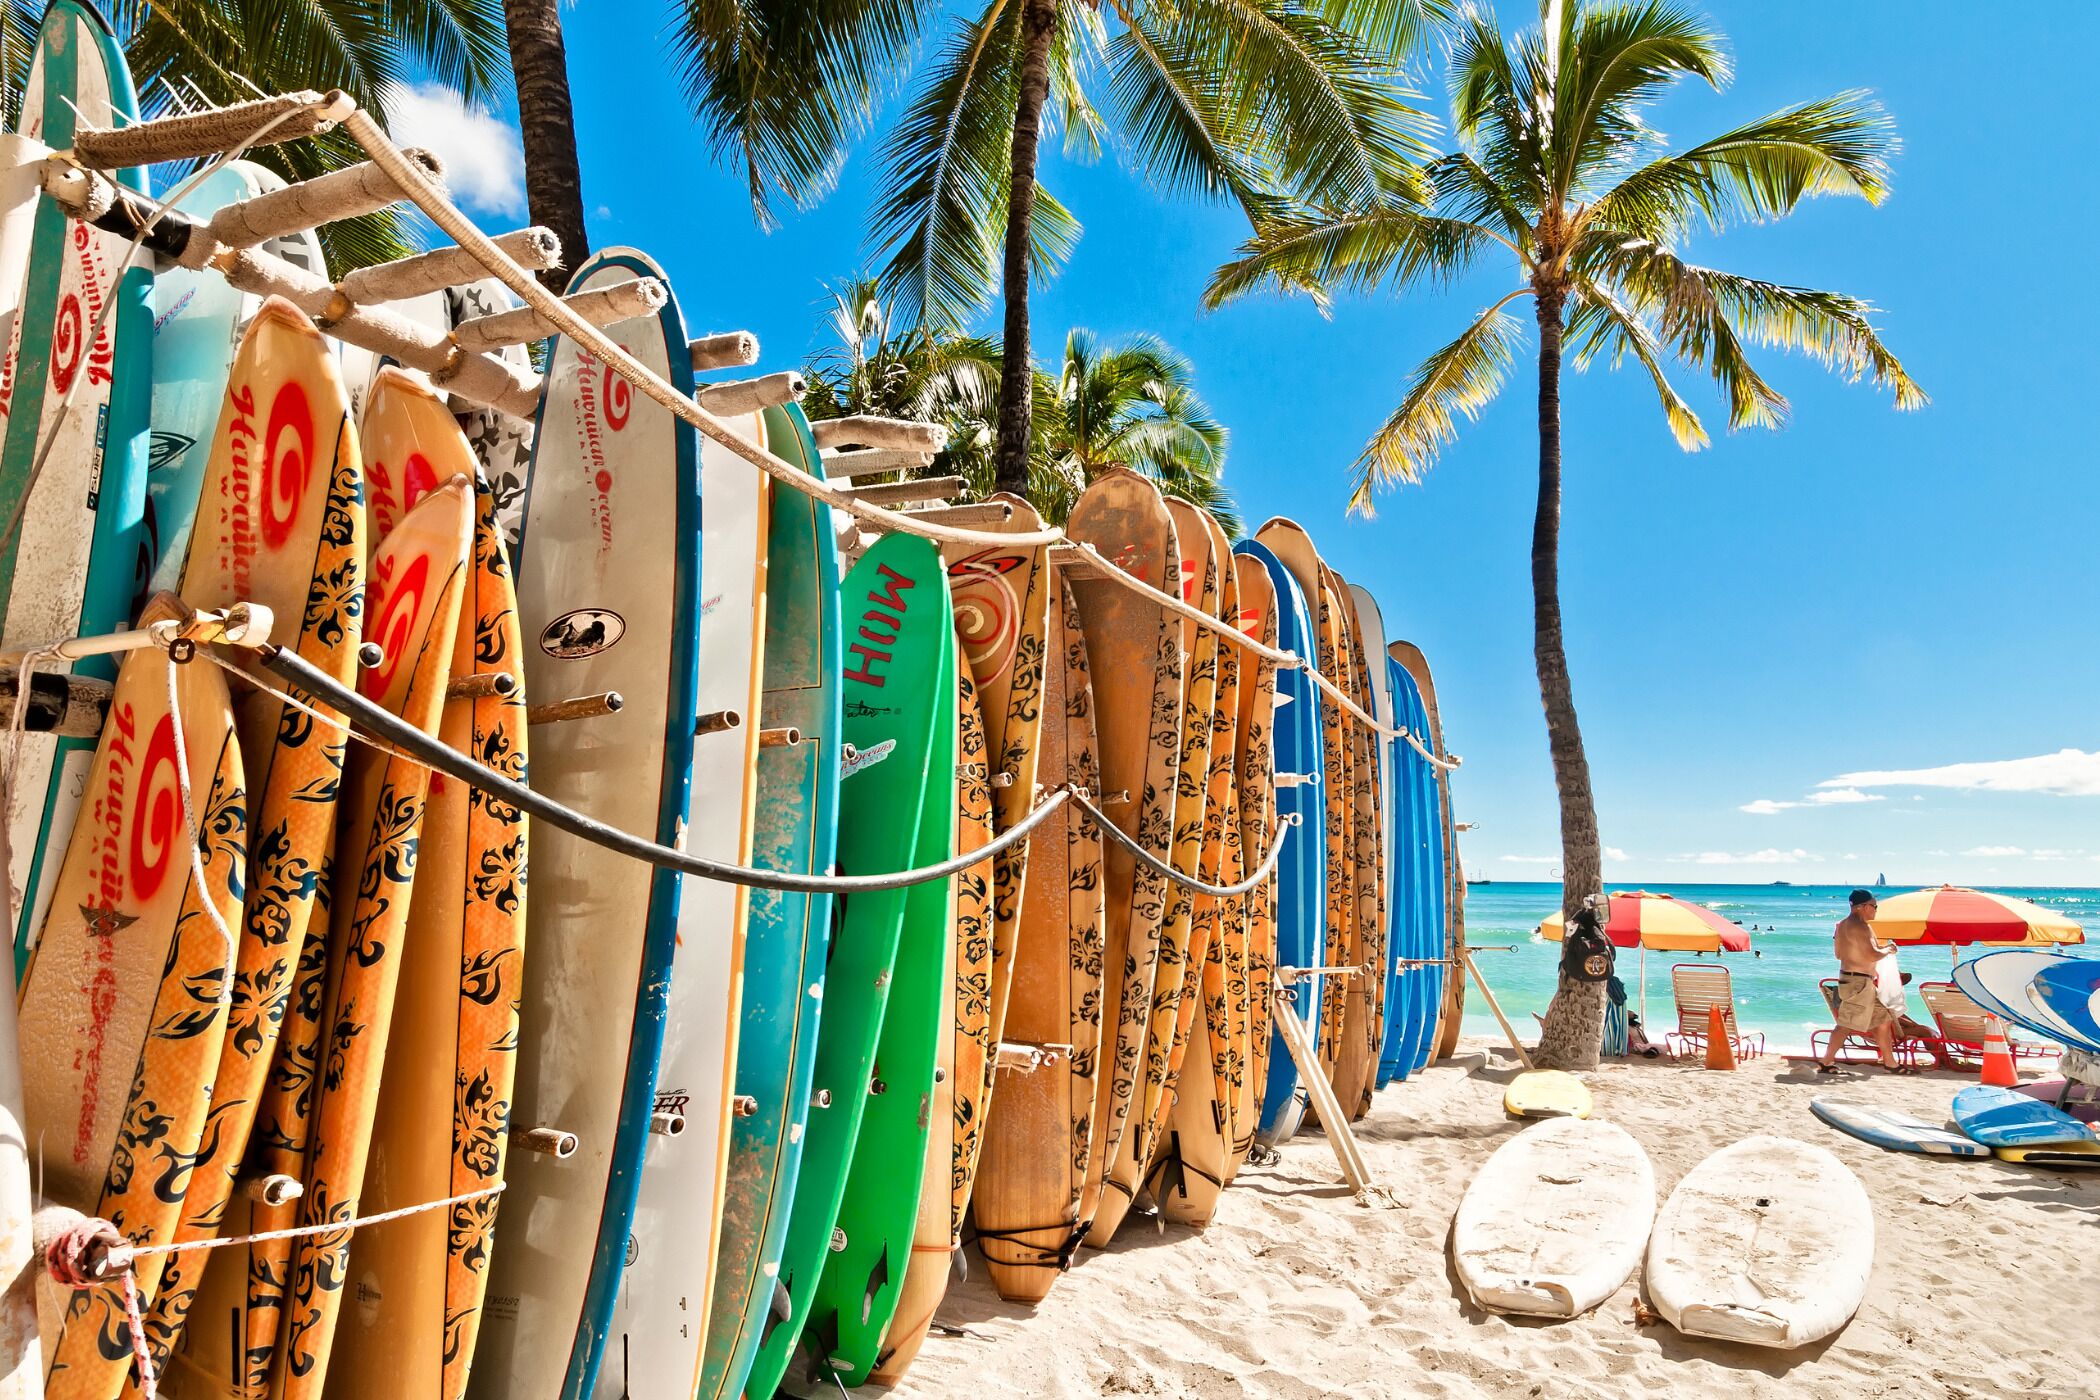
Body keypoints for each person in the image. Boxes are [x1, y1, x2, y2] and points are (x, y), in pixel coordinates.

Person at [1818, 889, 1914, 1073]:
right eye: (1874, 906)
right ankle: (1826, 1061)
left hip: (1853, 979)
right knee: (1846, 1024)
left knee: (1883, 1019)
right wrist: (1889, 949)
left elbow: (1838, 954)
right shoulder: (1861, 927)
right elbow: (1872, 955)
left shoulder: (1843, 925)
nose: (1876, 910)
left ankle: (1890, 1063)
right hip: (1859, 983)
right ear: (1862, 907)